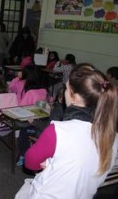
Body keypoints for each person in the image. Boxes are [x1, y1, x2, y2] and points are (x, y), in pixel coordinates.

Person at [16, 65, 118, 199]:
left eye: (66, 88)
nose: (64, 91)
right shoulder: (112, 136)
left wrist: (51, 164)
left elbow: (30, 162)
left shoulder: (58, 131)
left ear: (74, 97)